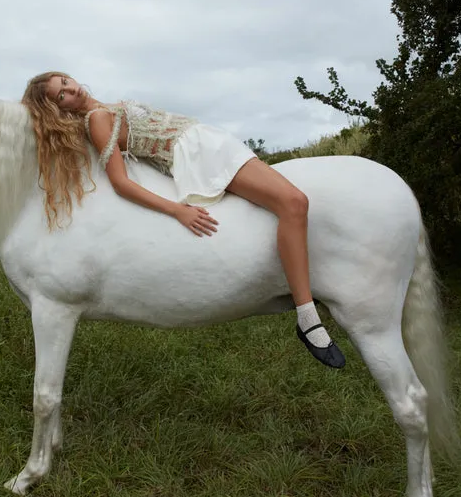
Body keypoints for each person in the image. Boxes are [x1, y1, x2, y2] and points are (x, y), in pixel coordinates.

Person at [20, 71, 345, 369]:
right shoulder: (96, 120)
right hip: (195, 154)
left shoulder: (104, 107)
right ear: (58, 109)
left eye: (64, 81)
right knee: (294, 202)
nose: (70, 89)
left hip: (208, 140)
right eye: (60, 95)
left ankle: (307, 307)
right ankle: (307, 316)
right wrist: (176, 209)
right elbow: (120, 183)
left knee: (293, 202)